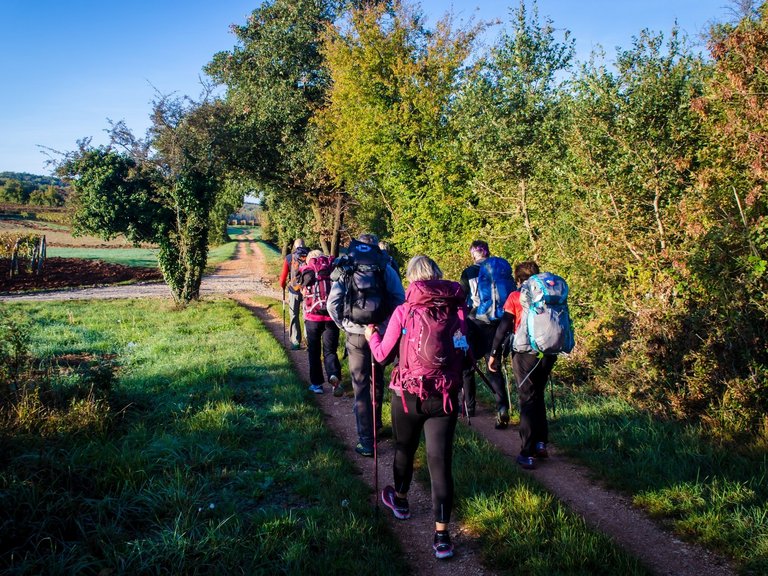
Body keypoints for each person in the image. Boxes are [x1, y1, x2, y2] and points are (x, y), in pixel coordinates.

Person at [365, 255, 467, 560]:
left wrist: (372, 337)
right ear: (437, 277)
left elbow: (382, 356)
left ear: (412, 280)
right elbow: (467, 355)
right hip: (445, 396)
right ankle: (442, 537)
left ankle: (401, 500)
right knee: (440, 463)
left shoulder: (404, 310)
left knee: (404, 449)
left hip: (408, 393)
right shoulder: (457, 309)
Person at [327, 233, 405, 457]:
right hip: (379, 333)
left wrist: (344, 324)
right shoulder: (385, 266)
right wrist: (386, 327)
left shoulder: (347, 267)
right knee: (377, 379)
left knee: (360, 385)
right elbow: (399, 300)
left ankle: (366, 441)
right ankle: (377, 425)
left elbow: (333, 303)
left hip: (355, 334)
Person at [488, 260, 557, 470]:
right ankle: (541, 443)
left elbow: (503, 327)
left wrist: (494, 353)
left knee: (527, 398)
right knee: (538, 395)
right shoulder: (548, 295)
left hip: (525, 353)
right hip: (548, 352)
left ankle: (527, 452)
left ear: (518, 279)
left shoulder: (516, 297)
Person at [459, 240, 513, 427]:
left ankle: (469, 406)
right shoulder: (501, 269)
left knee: (468, 364)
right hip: (499, 322)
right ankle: (501, 407)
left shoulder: (469, 272)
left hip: (476, 322)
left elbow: (462, 299)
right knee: (493, 365)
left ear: (473, 253)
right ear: (488, 252)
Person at [300, 250, 343, 396]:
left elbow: (299, 290)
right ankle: (334, 377)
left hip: (312, 317)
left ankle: (317, 384)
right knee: (330, 351)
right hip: (331, 318)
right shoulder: (332, 270)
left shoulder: (308, 271)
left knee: (314, 352)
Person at [279, 238, 309, 350]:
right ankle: (309, 341)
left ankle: (296, 342)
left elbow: (283, 276)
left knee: (294, 315)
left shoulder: (289, 258)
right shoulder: (309, 256)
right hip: (307, 290)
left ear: (294, 247)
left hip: (294, 290)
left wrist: (282, 285)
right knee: (307, 315)